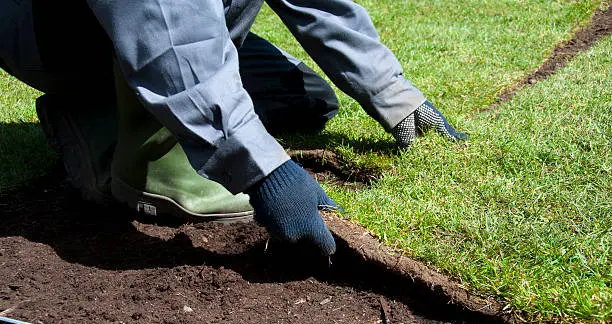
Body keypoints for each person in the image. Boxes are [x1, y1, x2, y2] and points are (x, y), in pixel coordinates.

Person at [1, 0, 467, 256]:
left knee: (303, 98)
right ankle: (103, 130)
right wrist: (267, 174)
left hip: (185, 15)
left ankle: (149, 100)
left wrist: (396, 96)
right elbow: (164, 25)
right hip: (66, 34)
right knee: (174, 98)